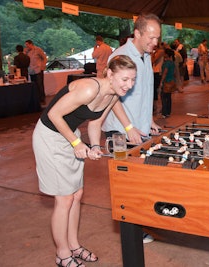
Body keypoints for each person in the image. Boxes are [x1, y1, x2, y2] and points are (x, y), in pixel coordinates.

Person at [32, 55, 137, 267]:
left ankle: (74, 245)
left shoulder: (113, 95)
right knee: (64, 198)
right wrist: (76, 144)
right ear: (109, 74)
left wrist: (95, 146)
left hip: (70, 136)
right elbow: (53, 115)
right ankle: (62, 254)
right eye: (125, 79)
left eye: (133, 80)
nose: (129, 85)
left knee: (76, 195)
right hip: (51, 137)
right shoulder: (90, 88)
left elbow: (95, 124)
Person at [102, 14, 161, 243]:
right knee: (128, 184)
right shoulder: (122, 56)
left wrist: (150, 120)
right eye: (151, 37)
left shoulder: (145, 56)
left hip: (139, 127)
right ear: (137, 33)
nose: (155, 42)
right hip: (121, 131)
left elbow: (143, 93)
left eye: (157, 38)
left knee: (142, 181)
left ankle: (141, 223)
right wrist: (128, 127)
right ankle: (133, 232)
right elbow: (112, 97)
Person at [25, 39, 47, 103]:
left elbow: (44, 58)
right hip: (31, 70)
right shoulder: (27, 52)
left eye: (27, 45)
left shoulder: (38, 50)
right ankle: (36, 98)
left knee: (40, 84)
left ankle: (42, 99)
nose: (26, 46)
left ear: (31, 44)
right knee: (34, 85)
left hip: (38, 69)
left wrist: (43, 66)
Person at [159, 48, 176, 118]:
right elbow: (174, 72)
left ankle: (164, 112)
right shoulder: (172, 63)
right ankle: (168, 112)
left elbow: (165, 72)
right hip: (172, 81)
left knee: (163, 97)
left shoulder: (167, 63)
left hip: (167, 82)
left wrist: (161, 82)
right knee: (168, 97)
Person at [151, 42, 165, 114]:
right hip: (155, 71)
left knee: (156, 90)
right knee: (154, 90)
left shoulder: (160, 51)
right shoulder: (156, 51)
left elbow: (153, 60)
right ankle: (154, 106)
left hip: (157, 71)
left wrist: (152, 54)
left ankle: (156, 106)